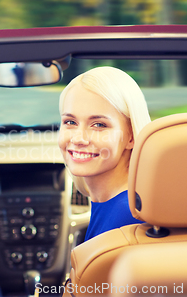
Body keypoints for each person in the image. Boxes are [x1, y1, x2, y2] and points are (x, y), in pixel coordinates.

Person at [58, 66, 151, 241]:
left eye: (99, 125)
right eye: (70, 121)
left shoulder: (129, 218)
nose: (79, 138)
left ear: (130, 136)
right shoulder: (119, 204)